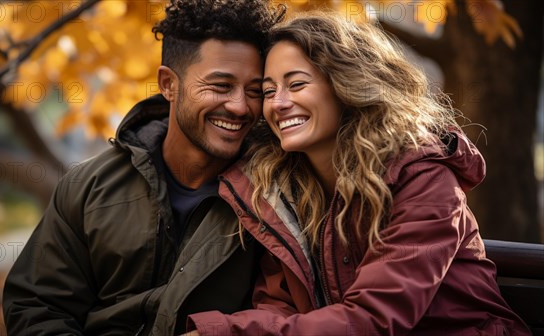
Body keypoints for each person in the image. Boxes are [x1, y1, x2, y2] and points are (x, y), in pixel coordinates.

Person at [185, 11, 532, 335]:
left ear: (345, 85)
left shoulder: (423, 177)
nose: (277, 104)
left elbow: (375, 317)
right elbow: (278, 307)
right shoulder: (280, 191)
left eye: (297, 84)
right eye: (269, 91)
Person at [2, 1, 285, 335]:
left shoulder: (274, 197)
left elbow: (282, 313)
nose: (240, 106)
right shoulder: (88, 186)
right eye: (220, 86)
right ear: (168, 84)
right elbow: (38, 306)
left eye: (254, 91)